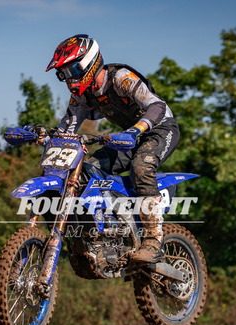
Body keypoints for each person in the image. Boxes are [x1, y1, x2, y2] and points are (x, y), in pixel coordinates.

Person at [46, 34, 180, 264]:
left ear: (90, 62)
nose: (69, 78)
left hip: (159, 129)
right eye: (64, 73)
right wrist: (42, 135)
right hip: (128, 138)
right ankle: (101, 231)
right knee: (86, 170)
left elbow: (158, 106)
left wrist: (136, 130)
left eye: (73, 70)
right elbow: (66, 128)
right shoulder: (82, 95)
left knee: (141, 167)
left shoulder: (120, 78)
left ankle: (153, 241)